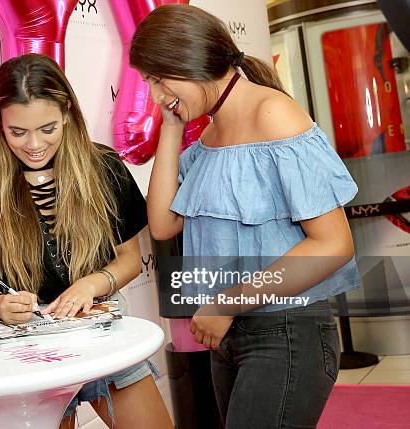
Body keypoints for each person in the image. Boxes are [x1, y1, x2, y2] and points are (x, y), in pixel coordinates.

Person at [129, 4, 361, 429]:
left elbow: (333, 245)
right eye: (148, 82)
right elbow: (163, 224)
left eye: (158, 79)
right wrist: (170, 128)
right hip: (230, 333)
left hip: (286, 331)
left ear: (190, 61)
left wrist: (226, 302)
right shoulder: (211, 132)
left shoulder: (273, 114)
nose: (156, 95)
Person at [0, 53, 173, 429]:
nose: (34, 144)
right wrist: (0, 305)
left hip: (100, 332)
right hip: (27, 350)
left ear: (67, 112)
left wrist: (90, 286)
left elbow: (129, 258)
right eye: (17, 132)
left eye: (48, 128)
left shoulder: (105, 168)